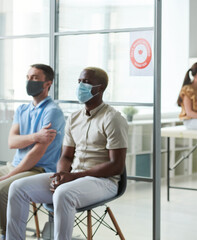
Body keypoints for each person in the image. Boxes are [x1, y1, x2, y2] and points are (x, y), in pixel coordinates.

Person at [6, 67, 128, 240]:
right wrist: (61, 175)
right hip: (74, 178)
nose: (80, 86)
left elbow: (116, 166)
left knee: (64, 194)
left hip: (103, 182)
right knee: (17, 188)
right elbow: (66, 156)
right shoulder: (74, 118)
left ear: (100, 88)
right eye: (79, 82)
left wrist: (75, 176)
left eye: (85, 82)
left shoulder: (113, 118)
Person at [0, 64, 65, 239]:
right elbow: (12, 142)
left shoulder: (52, 112)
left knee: (2, 188)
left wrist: (9, 175)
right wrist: (36, 136)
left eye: (35, 78)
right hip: (16, 165)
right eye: (28, 77)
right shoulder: (22, 109)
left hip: (39, 169)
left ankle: (8, 235)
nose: (30, 81)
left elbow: (36, 153)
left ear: (47, 84)